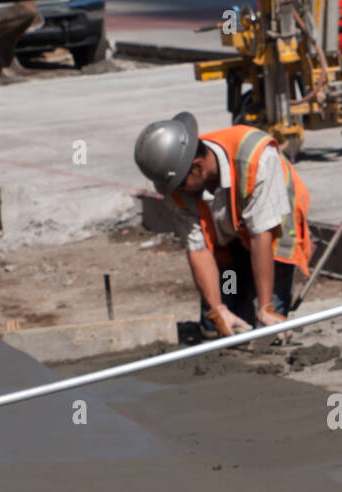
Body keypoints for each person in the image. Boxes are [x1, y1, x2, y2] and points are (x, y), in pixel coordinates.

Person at [134, 112, 314, 338]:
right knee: (220, 323)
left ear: (198, 168)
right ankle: (234, 299)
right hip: (228, 233)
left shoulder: (256, 158)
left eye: (179, 185)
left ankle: (268, 307)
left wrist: (266, 307)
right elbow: (198, 248)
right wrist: (217, 309)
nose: (174, 192)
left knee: (266, 331)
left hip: (272, 229)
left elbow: (261, 236)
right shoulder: (177, 182)